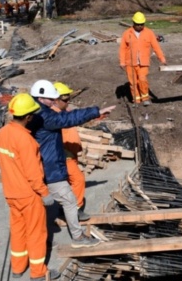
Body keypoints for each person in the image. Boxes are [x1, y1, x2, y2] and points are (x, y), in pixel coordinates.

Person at [28, 80, 116, 248]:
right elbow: (69, 119)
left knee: (41, 206)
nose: (53, 101)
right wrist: (96, 111)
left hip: (43, 165)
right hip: (51, 166)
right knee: (68, 201)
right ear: (40, 97)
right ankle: (77, 238)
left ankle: (41, 238)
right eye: (50, 98)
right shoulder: (44, 116)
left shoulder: (35, 112)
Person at [0, 93, 60, 281]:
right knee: (36, 233)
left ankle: (17, 267)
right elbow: (33, 173)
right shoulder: (26, 141)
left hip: (11, 193)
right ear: (28, 117)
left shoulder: (3, 134)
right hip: (28, 195)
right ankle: (38, 272)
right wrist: (45, 193)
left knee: (18, 230)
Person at [52, 82, 88, 220]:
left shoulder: (62, 112)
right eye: (66, 100)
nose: (68, 103)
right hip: (64, 155)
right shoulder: (54, 116)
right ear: (56, 100)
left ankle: (64, 209)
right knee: (78, 179)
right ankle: (76, 209)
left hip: (70, 154)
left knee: (67, 184)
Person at [119, 11, 167, 106]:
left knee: (142, 79)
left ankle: (145, 98)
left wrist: (162, 58)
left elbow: (156, 46)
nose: (140, 26)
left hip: (143, 62)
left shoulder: (149, 33)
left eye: (142, 24)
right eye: (138, 24)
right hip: (130, 62)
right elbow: (122, 48)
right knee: (133, 82)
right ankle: (136, 99)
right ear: (133, 23)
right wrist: (122, 61)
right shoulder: (127, 33)